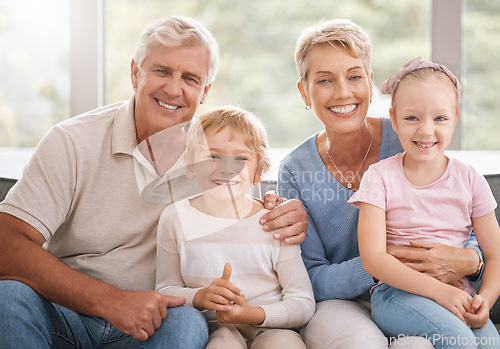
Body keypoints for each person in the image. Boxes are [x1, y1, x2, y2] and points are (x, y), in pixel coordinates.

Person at [0, 16, 308, 348]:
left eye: (190, 78)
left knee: (188, 323)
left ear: (204, 91)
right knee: (9, 295)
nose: (174, 89)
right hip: (67, 313)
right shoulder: (71, 141)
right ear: (135, 72)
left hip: (154, 321)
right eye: (162, 71)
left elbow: (255, 208)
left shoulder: (212, 157)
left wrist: (289, 213)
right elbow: (7, 243)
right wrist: (111, 301)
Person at [278, 19, 485, 348]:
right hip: (341, 304)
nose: (343, 91)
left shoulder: (411, 133)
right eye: (325, 80)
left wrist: (472, 260)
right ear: (305, 91)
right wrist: (381, 263)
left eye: (354, 76)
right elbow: (309, 278)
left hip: (421, 292)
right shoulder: (295, 170)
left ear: (370, 82)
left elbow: (462, 212)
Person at [349, 56, 500, 348]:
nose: (426, 130)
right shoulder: (379, 177)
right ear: (393, 118)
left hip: (459, 293)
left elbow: (494, 254)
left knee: (490, 344)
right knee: (461, 342)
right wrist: (440, 292)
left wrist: (486, 299)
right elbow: (373, 259)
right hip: (397, 294)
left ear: (456, 116)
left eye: (440, 118)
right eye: (412, 118)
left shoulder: (470, 180)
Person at [156, 106, 315, 348]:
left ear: (259, 170)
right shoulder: (174, 219)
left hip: (273, 326)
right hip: (216, 329)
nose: (227, 168)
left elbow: (302, 302)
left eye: (240, 158)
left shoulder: (275, 221)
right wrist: (200, 296)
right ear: (190, 164)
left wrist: (253, 314)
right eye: (213, 156)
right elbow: (166, 290)